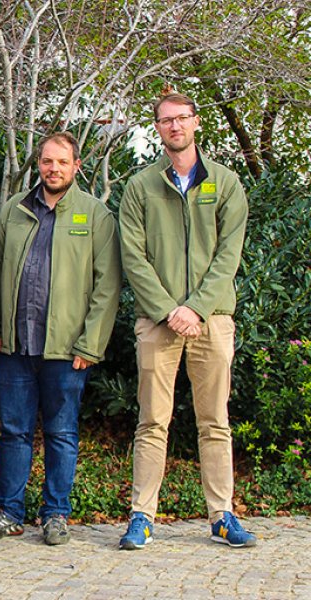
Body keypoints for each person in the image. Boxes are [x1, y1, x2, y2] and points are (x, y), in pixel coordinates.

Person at [117, 93, 255, 550]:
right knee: (152, 421)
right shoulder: (140, 187)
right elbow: (133, 256)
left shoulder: (227, 183)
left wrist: (195, 308)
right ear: (157, 128)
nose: (174, 127)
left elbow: (228, 255)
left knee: (214, 421)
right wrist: (168, 310)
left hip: (211, 320)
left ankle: (222, 515)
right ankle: (142, 516)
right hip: (157, 322)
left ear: (195, 122)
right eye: (165, 121)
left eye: (181, 119)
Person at [0, 132, 121, 545]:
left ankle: (55, 513)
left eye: (61, 162)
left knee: (61, 434)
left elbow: (107, 285)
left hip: (68, 350)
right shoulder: (14, 211)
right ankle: (8, 511)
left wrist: (91, 343)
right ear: (38, 164)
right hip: (17, 347)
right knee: (14, 431)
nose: (52, 169)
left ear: (77, 166)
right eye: (46, 162)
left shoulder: (94, 215)